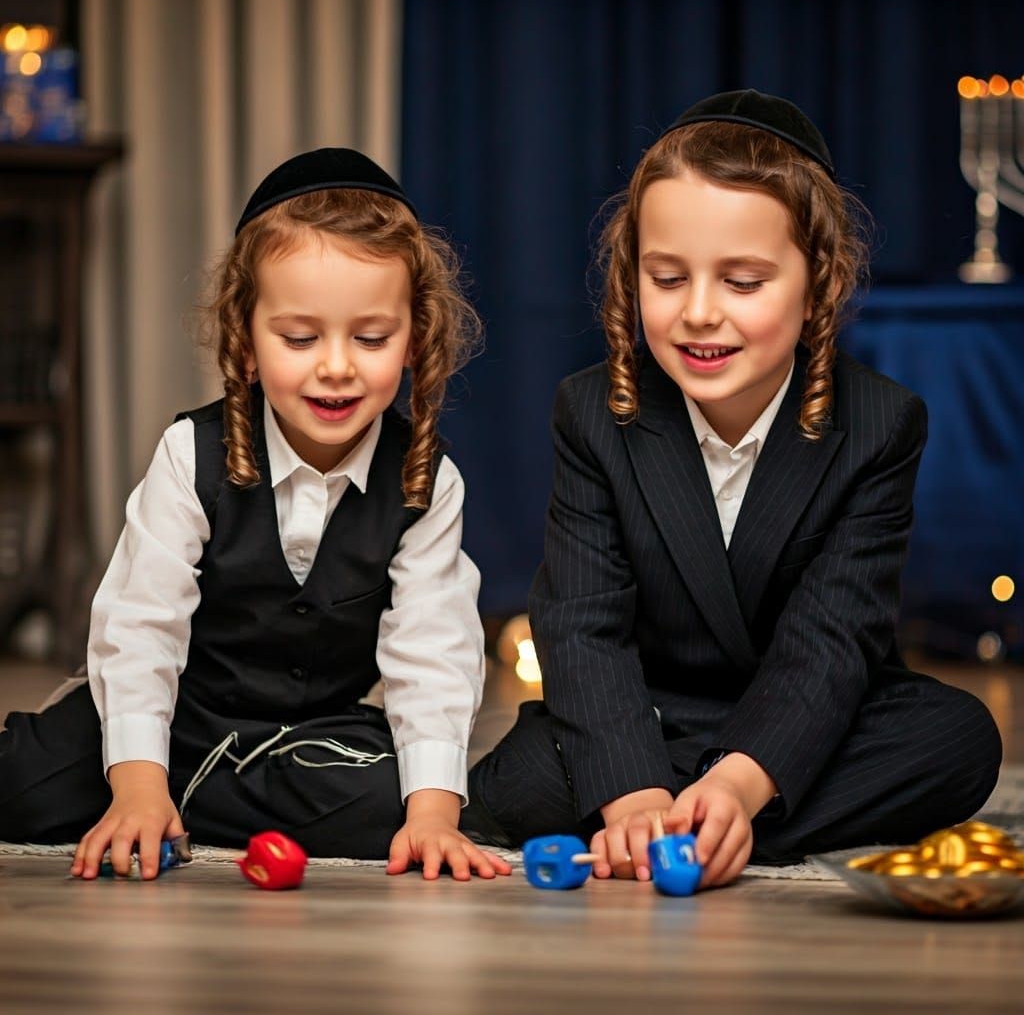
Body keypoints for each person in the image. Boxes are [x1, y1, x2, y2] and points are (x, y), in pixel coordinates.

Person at [462, 90, 1001, 888]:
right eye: (669, 278)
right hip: (649, 716)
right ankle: (680, 823)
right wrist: (631, 787)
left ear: (817, 285)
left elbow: (831, 641)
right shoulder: (594, 411)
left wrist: (739, 783)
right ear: (631, 276)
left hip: (806, 722)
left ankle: (717, 822)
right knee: (514, 778)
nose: (700, 314)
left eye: (743, 283)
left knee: (959, 740)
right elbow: (582, 626)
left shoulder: (881, 425)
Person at [0, 147, 511, 883]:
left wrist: (431, 816)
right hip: (172, 718)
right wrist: (139, 786)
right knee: (24, 784)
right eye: (300, 338)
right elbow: (143, 626)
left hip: (306, 737)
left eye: (370, 338)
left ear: (415, 341)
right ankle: (162, 792)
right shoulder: (190, 455)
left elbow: (432, 655)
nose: (335, 365)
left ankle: (203, 797)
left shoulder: (428, 482)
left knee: (392, 806)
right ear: (245, 342)